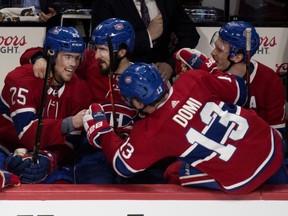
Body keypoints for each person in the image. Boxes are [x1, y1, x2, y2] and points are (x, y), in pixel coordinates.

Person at [82, 62, 288, 194]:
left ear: (137, 103)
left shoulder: (150, 133)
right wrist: (209, 68)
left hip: (244, 177)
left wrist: (103, 133)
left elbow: (122, 165)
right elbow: (239, 92)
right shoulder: (193, 78)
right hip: (272, 144)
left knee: (174, 172)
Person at [173, 20, 287, 156]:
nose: (213, 53)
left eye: (220, 50)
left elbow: (277, 136)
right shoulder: (208, 73)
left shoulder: (269, 81)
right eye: (215, 47)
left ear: (238, 57)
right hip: (211, 150)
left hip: (252, 154)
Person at [0, 26, 91, 184]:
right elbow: (27, 132)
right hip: (4, 147)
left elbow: (71, 142)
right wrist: (70, 123)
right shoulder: (21, 78)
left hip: (48, 153)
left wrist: (50, 158)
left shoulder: (80, 89)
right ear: (51, 54)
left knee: (63, 186)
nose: (73, 64)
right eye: (68, 56)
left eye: (77, 58)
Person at [91, 0, 200, 82]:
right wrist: (148, 36)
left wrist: (171, 64)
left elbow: (191, 36)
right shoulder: (105, 2)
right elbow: (104, 45)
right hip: (120, 81)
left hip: (160, 81)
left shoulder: (168, 2)